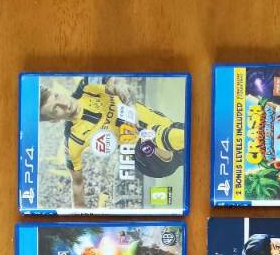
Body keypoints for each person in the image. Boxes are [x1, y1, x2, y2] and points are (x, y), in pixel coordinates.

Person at [39, 76, 185, 207]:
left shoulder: (87, 85)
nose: (64, 104)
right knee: (151, 135)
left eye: (57, 96)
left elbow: (117, 82)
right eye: (55, 109)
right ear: (54, 120)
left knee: (183, 141)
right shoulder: (73, 141)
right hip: (153, 158)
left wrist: (127, 101)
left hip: (168, 128)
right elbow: (77, 184)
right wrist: (79, 220)